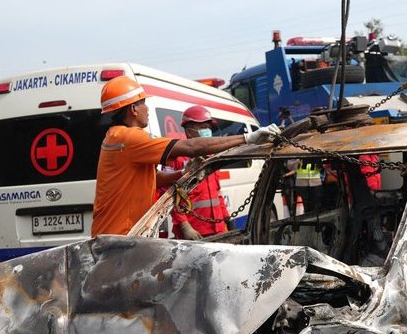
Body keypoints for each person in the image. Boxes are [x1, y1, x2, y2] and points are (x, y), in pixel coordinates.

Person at [91, 76, 279, 236]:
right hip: (120, 237)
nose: (147, 109)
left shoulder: (118, 137)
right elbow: (190, 147)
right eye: (143, 103)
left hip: (122, 235)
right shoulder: (129, 137)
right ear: (133, 109)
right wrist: (248, 138)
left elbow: (150, 180)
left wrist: (182, 173)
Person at [168, 105, 230, 240]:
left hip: (217, 228)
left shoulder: (213, 156)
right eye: (202, 127)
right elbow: (168, 195)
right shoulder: (178, 158)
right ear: (189, 132)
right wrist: (185, 226)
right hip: (194, 232)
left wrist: (226, 218)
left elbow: (217, 193)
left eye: (208, 127)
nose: (207, 131)